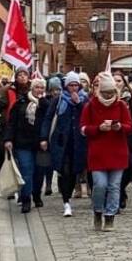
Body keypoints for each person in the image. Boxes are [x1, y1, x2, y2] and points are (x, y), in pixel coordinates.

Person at [81, 73, 132, 232]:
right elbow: (83, 128)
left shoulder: (121, 106)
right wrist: (98, 128)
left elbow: (130, 126)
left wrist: (119, 127)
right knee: (100, 185)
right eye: (105, 93)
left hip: (118, 152)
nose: (109, 95)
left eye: (111, 92)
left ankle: (110, 216)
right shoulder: (90, 106)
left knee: (114, 186)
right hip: (98, 153)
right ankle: (98, 211)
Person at [4, 76, 50, 213]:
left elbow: (49, 123)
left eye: (42, 87)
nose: (39, 90)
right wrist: (8, 139)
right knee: (26, 171)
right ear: (32, 88)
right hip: (23, 143)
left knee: (39, 172)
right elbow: (11, 123)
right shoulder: (21, 103)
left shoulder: (46, 104)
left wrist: (45, 139)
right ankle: (26, 199)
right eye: (37, 87)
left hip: (40, 144)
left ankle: (36, 194)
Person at [45, 72, 88, 217]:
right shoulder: (58, 100)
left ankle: (68, 195)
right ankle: (66, 202)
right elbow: (48, 119)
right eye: (71, 85)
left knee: (74, 172)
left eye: (76, 85)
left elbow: (89, 116)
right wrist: (44, 138)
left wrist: (79, 104)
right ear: (66, 86)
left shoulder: (84, 99)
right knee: (64, 171)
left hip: (78, 143)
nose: (74, 88)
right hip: (61, 141)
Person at [113, 73, 132, 210]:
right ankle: (116, 195)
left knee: (129, 166)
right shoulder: (106, 99)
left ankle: (121, 189)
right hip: (111, 140)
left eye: (119, 81)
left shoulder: (131, 100)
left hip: (129, 139)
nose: (116, 83)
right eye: (113, 81)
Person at [42, 77, 63, 196]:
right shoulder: (46, 101)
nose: (56, 92)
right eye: (53, 89)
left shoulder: (63, 100)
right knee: (48, 162)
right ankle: (48, 184)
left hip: (60, 133)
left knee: (61, 161)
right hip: (50, 132)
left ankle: (61, 184)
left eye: (58, 89)